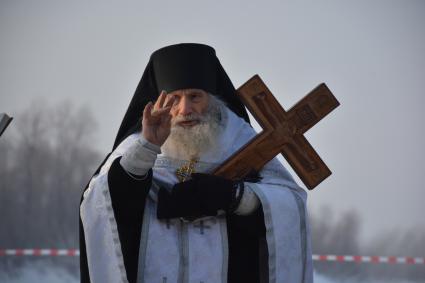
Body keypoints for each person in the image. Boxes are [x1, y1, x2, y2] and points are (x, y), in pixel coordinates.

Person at [79, 43, 313, 283]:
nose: (185, 109)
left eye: (195, 97)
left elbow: (290, 204)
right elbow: (104, 203)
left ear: (211, 98)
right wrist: (148, 147)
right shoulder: (137, 146)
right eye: (174, 98)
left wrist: (235, 197)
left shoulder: (241, 141)